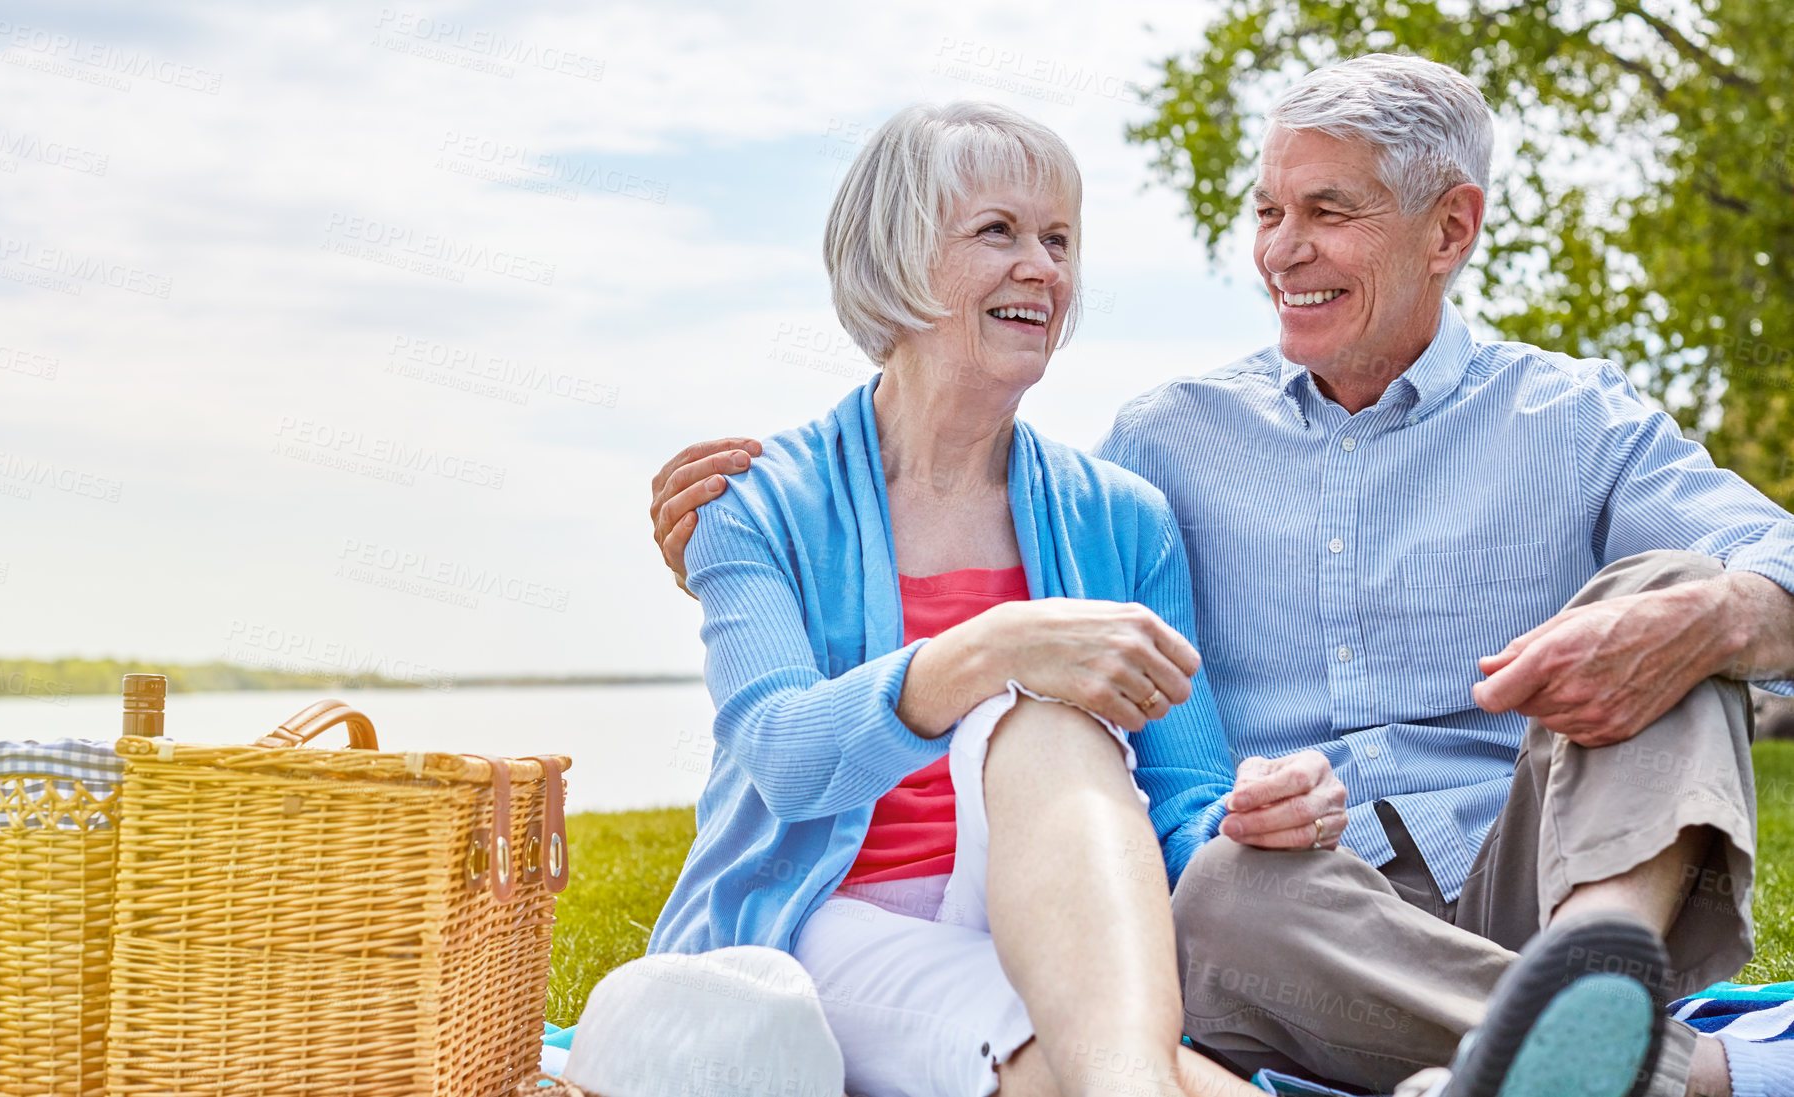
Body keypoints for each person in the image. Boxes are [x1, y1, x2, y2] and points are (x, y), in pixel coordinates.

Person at [649, 57, 1794, 1097]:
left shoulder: (1573, 419)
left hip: (1522, 875)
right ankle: (1669, 1073)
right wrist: (760, 570)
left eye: (1328, 212)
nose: (1282, 248)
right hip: (1294, 915)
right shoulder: (1157, 448)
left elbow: (1164, 769)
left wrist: (1722, 611)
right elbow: (881, 695)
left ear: (1451, 230)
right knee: (1212, 883)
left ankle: (1590, 989)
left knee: (1685, 600)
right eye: (1268, 213)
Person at [645, 100, 1306, 1097]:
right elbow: (781, 755)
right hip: (822, 912)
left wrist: (1253, 815)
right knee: (1085, 1056)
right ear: (896, 258)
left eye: (1059, 240)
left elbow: (1180, 792)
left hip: (1060, 915)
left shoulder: (1125, 517)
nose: (1042, 267)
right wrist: (993, 647)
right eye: (998, 232)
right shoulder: (759, 501)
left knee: (1052, 733)